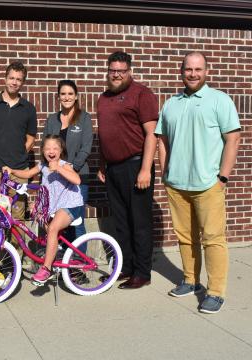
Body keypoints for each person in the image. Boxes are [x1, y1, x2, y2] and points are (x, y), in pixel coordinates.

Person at [156, 51, 240, 314]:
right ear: (181, 71)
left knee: (213, 238)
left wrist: (222, 177)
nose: (193, 73)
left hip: (208, 184)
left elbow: (233, 139)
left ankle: (215, 292)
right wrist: (165, 172)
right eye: (188, 69)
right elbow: (162, 140)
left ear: (206, 71)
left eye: (198, 69)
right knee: (185, 237)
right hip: (177, 184)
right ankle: (191, 280)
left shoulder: (220, 100)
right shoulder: (171, 104)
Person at [97, 51, 158, 290]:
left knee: (139, 221)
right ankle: (127, 266)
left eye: (121, 71)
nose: (116, 75)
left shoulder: (142, 94)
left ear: (129, 71)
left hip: (136, 165)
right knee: (121, 221)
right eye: (113, 71)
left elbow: (152, 133)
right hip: (113, 169)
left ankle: (142, 272)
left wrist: (146, 169)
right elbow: (105, 133)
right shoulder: (103, 98)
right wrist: (102, 162)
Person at [3, 135, 83, 285]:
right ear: (43, 151)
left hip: (71, 204)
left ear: (61, 150)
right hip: (56, 206)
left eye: (55, 148)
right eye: (47, 148)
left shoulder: (65, 165)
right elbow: (27, 174)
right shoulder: (42, 166)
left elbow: (77, 180)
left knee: (52, 228)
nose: (51, 151)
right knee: (39, 216)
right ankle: (56, 249)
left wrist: (58, 168)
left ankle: (46, 268)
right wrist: (11, 170)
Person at [0, 61, 37, 244]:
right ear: (5, 78)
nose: (14, 82)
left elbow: (30, 139)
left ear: (23, 82)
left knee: (18, 219)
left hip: (19, 171)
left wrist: (18, 155)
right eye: (11, 78)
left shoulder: (28, 108)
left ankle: (16, 262)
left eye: (19, 79)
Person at [43, 80, 92, 242]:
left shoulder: (84, 118)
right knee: (56, 219)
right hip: (56, 180)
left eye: (70, 94)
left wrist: (72, 165)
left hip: (77, 177)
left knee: (76, 222)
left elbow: (86, 147)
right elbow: (46, 147)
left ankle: (78, 262)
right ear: (58, 97)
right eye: (63, 94)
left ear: (76, 96)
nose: (67, 97)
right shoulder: (52, 120)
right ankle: (62, 260)